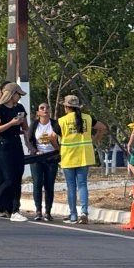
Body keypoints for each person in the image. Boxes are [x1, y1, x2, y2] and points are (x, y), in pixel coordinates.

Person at [53, 95, 107, 224]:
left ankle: (73, 215)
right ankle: (84, 212)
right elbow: (102, 128)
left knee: (71, 185)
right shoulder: (87, 118)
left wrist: (58, 148)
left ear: (66, 107)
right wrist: (93, 142)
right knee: (82, 184)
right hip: (84, 155)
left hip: (68, 156)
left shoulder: (62, 121)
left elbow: (51, 137)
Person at [0, 82, 28, 221]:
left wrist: (29, 143)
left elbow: (25, 128)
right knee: (9, 178)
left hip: (16, 143)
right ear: (12, 94)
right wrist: (11, 123)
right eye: (18, 94)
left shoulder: (20, 108)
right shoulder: (0, 109)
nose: (19, 97)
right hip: (2, 145)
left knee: (18, 177)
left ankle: (15, 209)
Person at [26, 101, 61, 221]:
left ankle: (48, 211)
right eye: (42, 108)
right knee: (37, 183)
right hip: (38, 158)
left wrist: (59, 149)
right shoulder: (34, 124)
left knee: (49, 184)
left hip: (51, 157)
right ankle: (38, 211)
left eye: (47, 107)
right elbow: (29, 141)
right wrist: (35, 151)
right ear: (38, 112)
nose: (45, 110)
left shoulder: (55, 124)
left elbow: (63, 137)